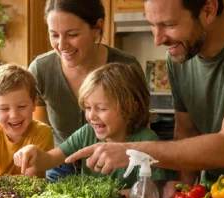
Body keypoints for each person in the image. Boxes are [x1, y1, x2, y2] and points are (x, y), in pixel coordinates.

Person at [65, 0, 224, 198]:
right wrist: (183, 184)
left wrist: (133, 151)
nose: (158, 39)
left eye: (168, 24)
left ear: (208, 10)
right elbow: (187, 131)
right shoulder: (180, 55)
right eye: (152, 25)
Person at [30, 0, 144, 181]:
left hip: (113, 168)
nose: (62, 45)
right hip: (61, 166)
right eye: (54, 35)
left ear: (98, 28)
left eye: (72, 34)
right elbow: (38, 132)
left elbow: (141, 128)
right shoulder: (41, 69)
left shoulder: (126, 66)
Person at [14, 63, 164, 195]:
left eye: (101, 108)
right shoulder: (86, 133)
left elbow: (150, 191)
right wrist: (34, 153)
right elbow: (50, 160)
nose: (91, 116)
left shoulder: (147, 142)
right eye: (87, 107)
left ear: (131, 107)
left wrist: (112, 196)